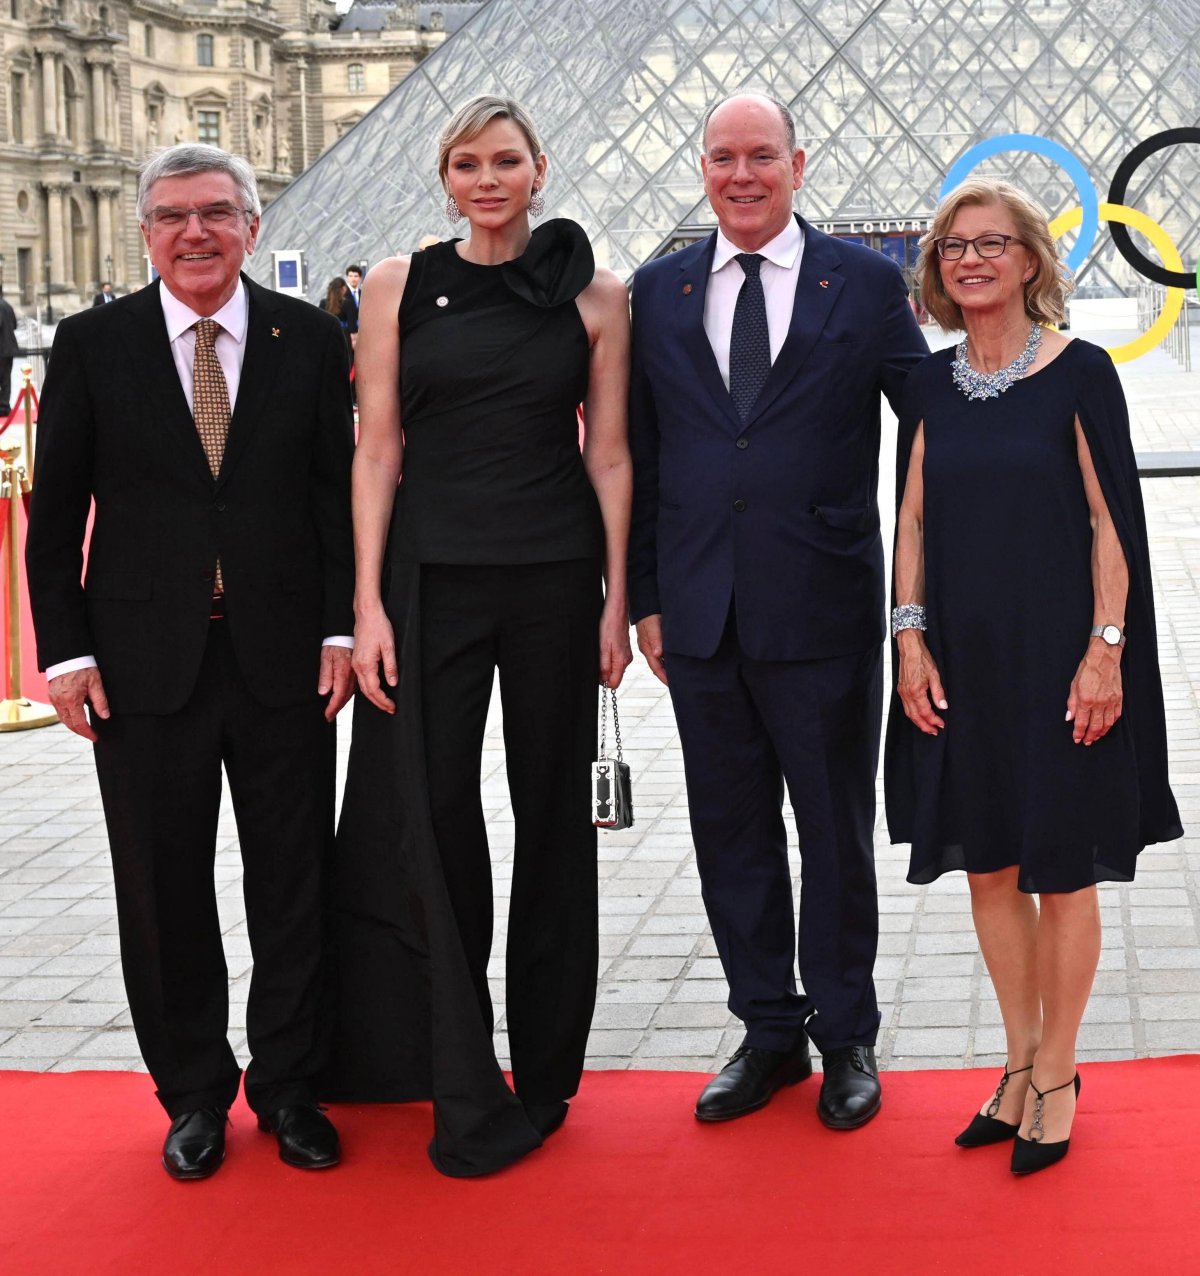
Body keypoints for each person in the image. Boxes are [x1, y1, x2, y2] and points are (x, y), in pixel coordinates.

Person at [25, 143, 356, 1181]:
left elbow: (333, 497)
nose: (195, 233)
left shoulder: (307, 337)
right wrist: (66, 652)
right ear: (146, 232)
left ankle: (291, 1085)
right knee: (161, 890)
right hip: (137, 661)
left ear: (253, 226)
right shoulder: (92, 344)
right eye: (172, 216)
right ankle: (193, 1095)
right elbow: (54, 511)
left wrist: (341, 631)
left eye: (216, 212)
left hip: (284, 657)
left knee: (294, 882)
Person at [324, 94, 632, 1177]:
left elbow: (610, 456)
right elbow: (376, 451)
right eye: (466, 163)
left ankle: (546, 1071)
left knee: (553, 818)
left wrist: (615, 598)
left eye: (506, 160)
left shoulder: (597, 296)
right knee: (435, 820)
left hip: (554, 578)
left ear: (540, 168)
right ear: (443, 178)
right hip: (427, 584)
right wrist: (365, 605)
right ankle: (464, 1074)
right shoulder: (397, 286)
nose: (488, 179)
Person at [628, 93, 927, 1132]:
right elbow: (642, 454)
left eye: (762, 156)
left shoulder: (869, 284)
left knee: (835, 834)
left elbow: (927, 435)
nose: (742, 174)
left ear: (800, 161)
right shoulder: (658, 291)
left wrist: (927, 600)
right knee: (732, 833)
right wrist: (647, 599)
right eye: (723, 157)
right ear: (700, 166)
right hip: (700, 617)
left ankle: (846, 1033)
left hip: (826, 608)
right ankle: (767, 1030)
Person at [884, 178, 1182, 1174]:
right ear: (937, 267)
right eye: (954, 245)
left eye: (992, 243)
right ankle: (1016, 1063)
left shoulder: (1081, 371)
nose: (971, 259)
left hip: (1059, 658)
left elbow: (1112, 520)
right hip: (962, 659)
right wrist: (909, 641)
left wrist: (1108, 649)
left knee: (1060, 866)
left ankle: (1057, 1072)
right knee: (990, 864)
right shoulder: (924, 386)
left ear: (1028, 261)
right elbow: (911, 518)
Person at [320, 275, 352, 361]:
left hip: (327, 336)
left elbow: (319, 323)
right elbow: (353, 327)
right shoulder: (347, 304)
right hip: (344, 336)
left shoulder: (323, 303)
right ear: (343, 289)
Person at [0, 291, 17, 416]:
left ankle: (3, 406)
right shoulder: (7, 305)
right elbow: (14, 324)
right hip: (9, 347)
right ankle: (5, 406)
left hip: (1, 348)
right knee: (6, 378)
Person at [340, 264, 362, 350]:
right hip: (347, 333)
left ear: (360, 278)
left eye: (356, 276)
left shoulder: (363, 293)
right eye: (350, 276)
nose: (353, 278)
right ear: (347, 278)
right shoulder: (342, 294)